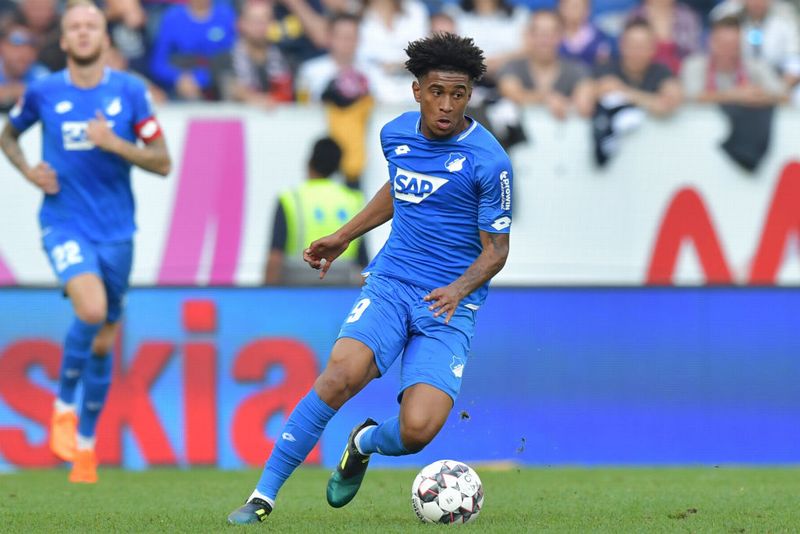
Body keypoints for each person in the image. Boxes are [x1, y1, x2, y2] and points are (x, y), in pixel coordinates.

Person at [227, 32, 512, 524]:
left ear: (470, 95)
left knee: (418, 430)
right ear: (417, 90)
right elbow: (399, 188)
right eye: (437, 92)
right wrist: (343, 236)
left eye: (458, 94)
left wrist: (458, 289)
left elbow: (497, 251)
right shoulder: (395, 135)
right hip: (392, 283)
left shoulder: (489, 161)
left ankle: (363, 442)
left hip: (449, 303)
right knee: (340, 374)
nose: (447, 105)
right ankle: (262, 496)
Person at [0, 0, 171, 483]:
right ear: (63, 39)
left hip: (117, 232)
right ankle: (62, 409)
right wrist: (28, 171)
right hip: (64, 222)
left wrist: (114, 143)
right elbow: (8, 135)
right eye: (73, 26)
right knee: (92, 310)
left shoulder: (130, 92)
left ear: (104, 37)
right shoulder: (43, 91)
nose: (81, 32)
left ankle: (87, 446)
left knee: (104, 339)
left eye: (90, 25)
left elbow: (163, 161)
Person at [265, 137, 367, 284]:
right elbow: (363, 262)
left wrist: (267, 292)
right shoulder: (353, 200)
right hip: (342, 287)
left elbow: (275, 256)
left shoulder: (291, 198)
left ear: (310, 162)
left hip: (296, 286)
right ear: (338, 167)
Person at [498, 10, 595, 119]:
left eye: (551, 33)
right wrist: (546, 98)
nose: (545, 40)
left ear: (561, 36)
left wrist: (564, 103)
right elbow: (512, 94)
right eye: (539, 33)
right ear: (528, 35)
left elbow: (585, 105)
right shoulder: (512, 66)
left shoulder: (577, 68)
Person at [681, 16, 786, 105]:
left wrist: (760, 96)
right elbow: (690, 96)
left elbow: (783, 95)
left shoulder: (755, 66)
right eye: (724, 45)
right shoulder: (694, 65)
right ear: (711, 42)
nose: (729, 50)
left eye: (734, 45)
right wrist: (735, 96)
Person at [149, 0, 236, 100]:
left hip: (219, 81)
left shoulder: (226, 15)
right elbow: (158, 63)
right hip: (182, 84)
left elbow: (234, 57)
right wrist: (178, 77)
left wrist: (202, 78)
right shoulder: (172, 17)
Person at [593, 18, 682, 117]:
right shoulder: (606, 69)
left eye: (642, 46)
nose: (636, 52)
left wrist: (624, 91)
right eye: (632, 45)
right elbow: (592, 96)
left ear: (654, 48)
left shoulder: (661, 71)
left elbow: (668, 102)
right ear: (621, 45)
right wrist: (651, 100)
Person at [213, 0, 293, 107]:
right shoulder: (223, 60)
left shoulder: (286, 59)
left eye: (265, 20)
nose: (260, 27)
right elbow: (228, 89)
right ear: (240, 23)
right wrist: (253, 98)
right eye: (254, 21)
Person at [0, 24, 50, 112]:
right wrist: (12, 91)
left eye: (31, 48)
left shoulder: (40, 73)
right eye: (17, 47)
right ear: (2, 47)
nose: (25, 54)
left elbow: (51, 98)